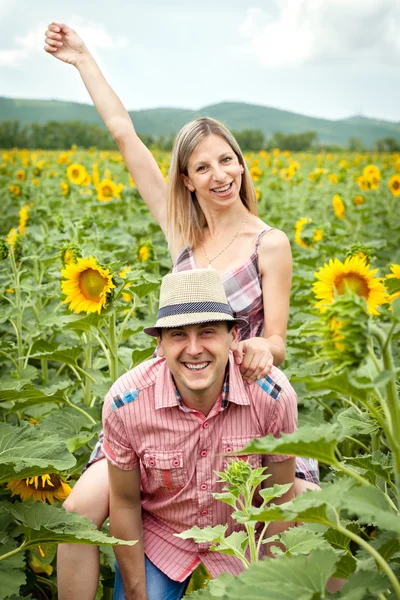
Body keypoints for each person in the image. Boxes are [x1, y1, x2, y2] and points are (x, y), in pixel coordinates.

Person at [44, 22, 319, 600]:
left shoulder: (268, 242)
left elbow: (277, 341)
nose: (219, 175)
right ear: (188, 182)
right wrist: (82, 58)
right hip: (168, 400)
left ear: (241, 165)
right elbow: (126, 138)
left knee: (313, 526)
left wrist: (255, 350)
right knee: (72, 517)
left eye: (227, 161)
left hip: (244, 397)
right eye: (203, 168)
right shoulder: (183, 235)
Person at [103, 268, 298, 600]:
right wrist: (137, 594)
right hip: (164, 537)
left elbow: (279, 499)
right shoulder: (126, 403)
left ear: (233, 337)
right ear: (159, 345)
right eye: (178, 334)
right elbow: (123, 503)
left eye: (207, 332)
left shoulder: (271, 396)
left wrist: (270, 585)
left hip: (244, 539)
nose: (194, 349)